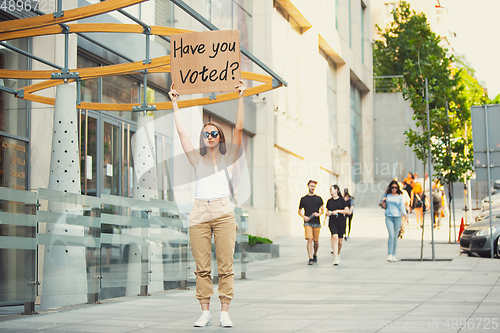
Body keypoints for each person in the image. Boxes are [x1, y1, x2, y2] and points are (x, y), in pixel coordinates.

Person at [169, 80, 247, 328]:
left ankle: (225, 311)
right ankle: (205, 311)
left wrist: (241, 97)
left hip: (224, 211)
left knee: (226, 265)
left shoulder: (229, 157)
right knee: (201, 266)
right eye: (206, 133)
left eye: (214, 133)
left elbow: (240, 129)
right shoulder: (196, 159)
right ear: (203, 138)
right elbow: (182, 133)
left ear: (219, 137)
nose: (210, 136)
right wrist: (174, 102)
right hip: (200, 211)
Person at [380, 180, 408, 262]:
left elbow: (402, 206)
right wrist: (383, 201)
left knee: (395, 236)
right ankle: (389, 253)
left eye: (396, 188)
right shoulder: (387, 195)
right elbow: (380, 203)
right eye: (392, 187)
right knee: (391, 235)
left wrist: (405, 216)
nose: (394, 189)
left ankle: (394, 254)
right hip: (388, 216)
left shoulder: (399, 196)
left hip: (397, 217)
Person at [298, 180, 324, 265]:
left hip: (316, 222)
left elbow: (322, 210)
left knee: (315, 241)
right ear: (308, 186)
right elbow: (299, 211)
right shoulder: (303, 199)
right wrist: (304, 216)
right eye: (311, 186)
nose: (312, 187)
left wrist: (318, 214)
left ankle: (315, 254)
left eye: (314, 186)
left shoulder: (318, 198)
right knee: (309, 239)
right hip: (307, 222)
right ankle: (310, 258)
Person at [325, 185, 350, 266]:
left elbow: (347, 211)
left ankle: (338, 253)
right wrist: (328, 215)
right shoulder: (329, 201)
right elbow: (327, 211)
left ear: (336, 190)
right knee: (334, 237)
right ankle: (335, 257)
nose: (330, 191)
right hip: (332, 221)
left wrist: (338, 211)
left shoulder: (342, 200)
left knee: (340, 241)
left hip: (341, 221)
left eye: (331, 189)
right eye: (330, 189)